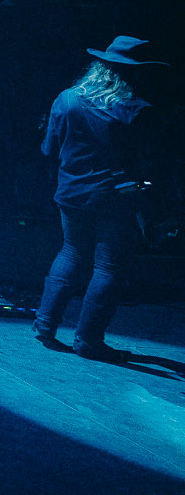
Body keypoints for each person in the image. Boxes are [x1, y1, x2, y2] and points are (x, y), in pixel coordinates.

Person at [33, 35, 166, 359]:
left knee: (71, 252)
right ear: (134, 72)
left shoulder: (66, 99)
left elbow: (48, 150)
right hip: (114, 197)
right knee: (108, 267)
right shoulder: (135, 110)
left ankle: (44, 326)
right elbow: (145, 163)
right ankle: (88, 340)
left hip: (71, 191)